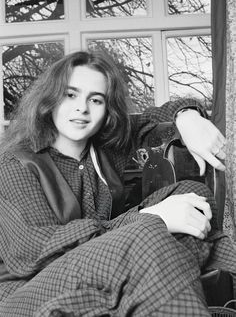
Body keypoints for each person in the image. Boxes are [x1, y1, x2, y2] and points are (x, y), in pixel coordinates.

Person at [0, 50, 235, 317]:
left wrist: (188, 117)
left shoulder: (106, 147)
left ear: (106, 109)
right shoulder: (14, 162)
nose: (82, 108)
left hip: (101, 277)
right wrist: (148, 218)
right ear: (50, 98)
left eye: (96, 99)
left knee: (194, 198)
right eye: (70, 94)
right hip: (24, 293)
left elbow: (153, 117)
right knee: (148, 234)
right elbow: (31, 252)